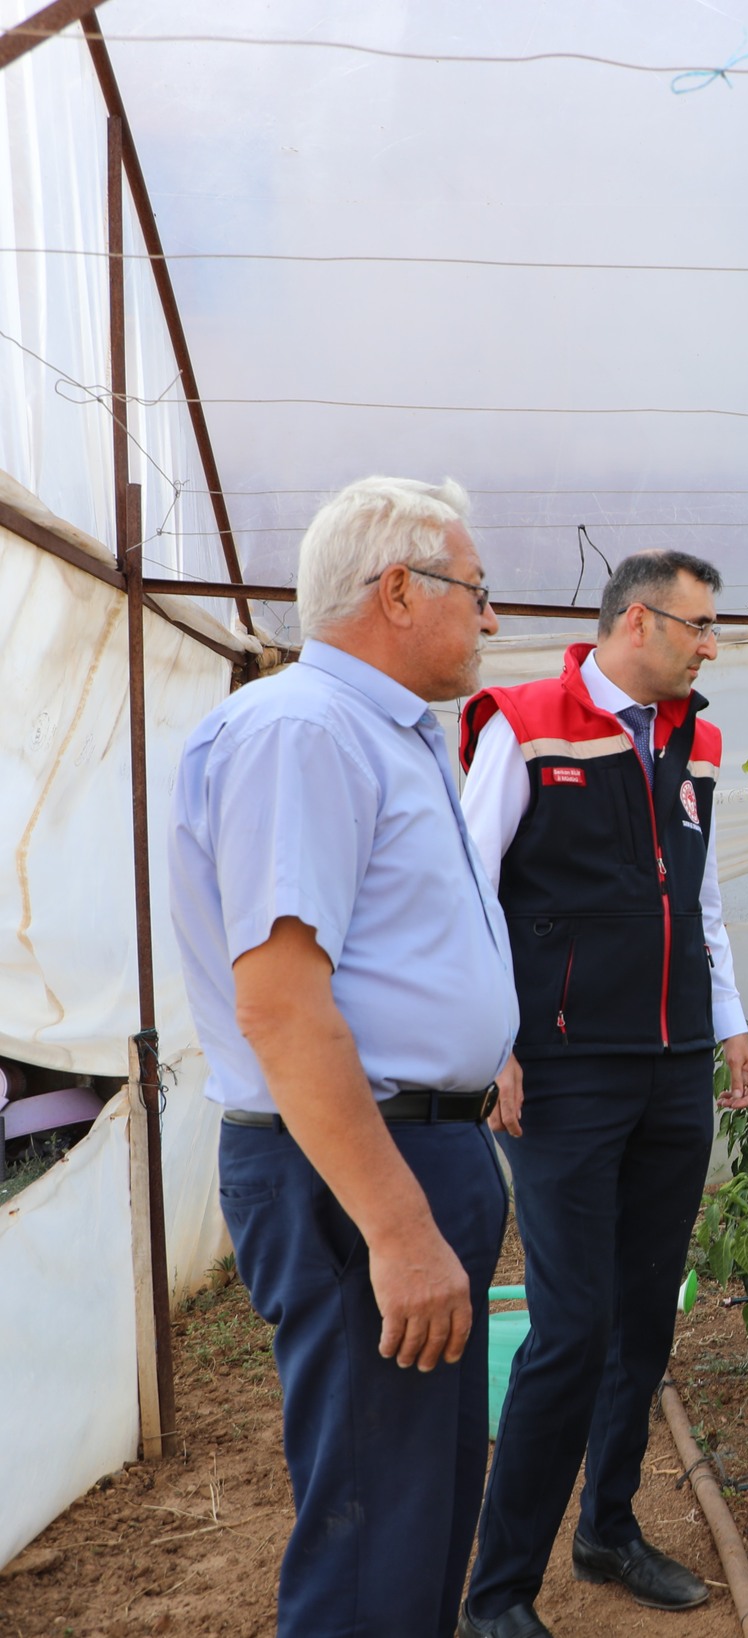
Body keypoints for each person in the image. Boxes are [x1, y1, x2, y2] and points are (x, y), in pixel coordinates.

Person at [168, 477, 517, 1638]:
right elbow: (281, 1005)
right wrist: (400, 1226)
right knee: (376, 1525)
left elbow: (385, 957)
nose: (490, 616)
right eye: (474, 589)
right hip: (360, 1168)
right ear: (400, 590)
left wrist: (480, 1062)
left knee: (418, 1512)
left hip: (410, 1148)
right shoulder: (303, 733)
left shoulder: (384, 734)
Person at [457, 549, 748, 1638]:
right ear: (637, 624)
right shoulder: (526, 723)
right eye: (698, 625)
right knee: (569, 1327)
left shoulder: (698, 742)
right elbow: (466, 889)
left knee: (642, 1317)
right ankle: (498, 1594)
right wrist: (491, 1042)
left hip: (672, 1069)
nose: (711, 644)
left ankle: (608, 1528)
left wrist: (727, 1025)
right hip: (563, 1076)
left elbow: (703, 898)